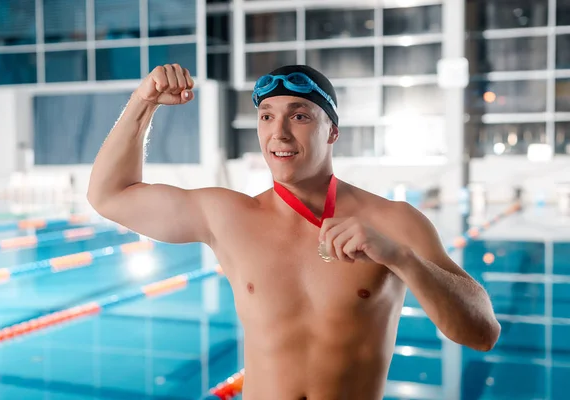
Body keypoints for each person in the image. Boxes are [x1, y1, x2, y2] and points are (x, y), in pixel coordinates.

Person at [87, 63, 501, 400]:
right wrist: (143, 103)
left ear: (332, 132)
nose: (279, 132)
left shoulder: (393, 221)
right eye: (267, 116)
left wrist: (400, 257)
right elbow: (108, 195)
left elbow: (481, 332)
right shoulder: (227, 215)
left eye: (299, 116)